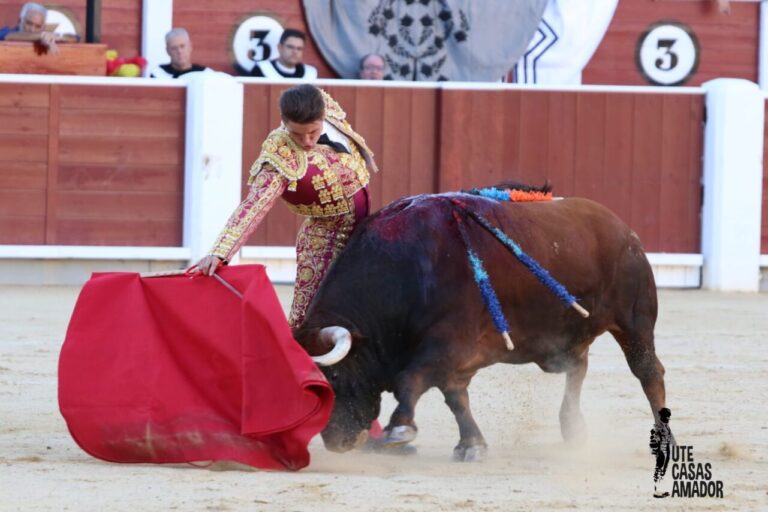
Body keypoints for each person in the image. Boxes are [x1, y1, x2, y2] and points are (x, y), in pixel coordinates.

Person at [189, 84, 378, 328]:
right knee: (306, 317)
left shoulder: (324, 105)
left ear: (323, 116)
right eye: (297, 135)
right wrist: (220, 251)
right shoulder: (280, 154)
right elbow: (255, 204)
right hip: (325, 238)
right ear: (284, 122)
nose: (307, 141)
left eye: (313, 132)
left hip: (365, 227)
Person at [249, 28, 318, 79]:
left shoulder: (310, 74)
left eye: (299, 48)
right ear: (280, 47)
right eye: (290, 47)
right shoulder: (262, 69)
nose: (295, 52)